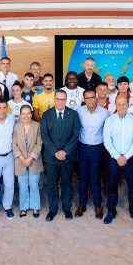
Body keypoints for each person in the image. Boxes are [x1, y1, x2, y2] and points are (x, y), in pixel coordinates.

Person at [103, 94, 133, 226]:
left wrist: (125, 157)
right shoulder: (109, 120)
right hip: (114, 159)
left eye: (123, 104)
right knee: (112, 187)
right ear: (115, 105)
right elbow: (107, 141)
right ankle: (111, 211)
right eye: (118, 104)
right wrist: (117, 156)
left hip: (129, 159)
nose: (121, 106)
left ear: (128, 104)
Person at [41, 89, 80, 221]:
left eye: (63, 99)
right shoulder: (46, 115)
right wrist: (55, 152)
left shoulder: (73, 114)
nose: (60, 102)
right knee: (51, 184)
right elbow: (44, 135)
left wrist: (65, 151)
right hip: (51, 157)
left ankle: (67, 208)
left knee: (67, 183)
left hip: (67, 156)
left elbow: (75, 135)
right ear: (54, 99)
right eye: (58, 99)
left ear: (66, 100)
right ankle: (52, 209)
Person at [74, 88, 108, 218]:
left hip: (97, 149)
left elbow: (107, 131)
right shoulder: (79, 111)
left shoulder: (105, 113)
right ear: (84, 99)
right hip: (82, 148)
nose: (90, 100)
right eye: (87, 98)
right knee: (82, 177)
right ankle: (81, 204)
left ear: (96, 97)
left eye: (92, 97)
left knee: (95, 178)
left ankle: (98, 205)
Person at [13, 104, 43, 217]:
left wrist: (30, 158)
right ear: (20, 115)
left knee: (34, 184)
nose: (26, 116)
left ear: (31, 114)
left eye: (28, 113)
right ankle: (24, 207)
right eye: (23, 113)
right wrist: (22, 158)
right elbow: (14, 144)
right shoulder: (16, 127)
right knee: (23, 185)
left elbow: (39, 144)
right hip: (20, 161)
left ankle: (35, 207)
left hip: (34, 160)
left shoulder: (37, 126)